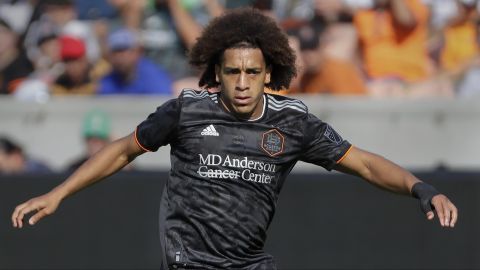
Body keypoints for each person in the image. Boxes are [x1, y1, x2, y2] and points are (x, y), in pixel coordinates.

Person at [12, 8, 458, 270]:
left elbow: (362, 163)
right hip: (188, 261)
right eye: (232, 72)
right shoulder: (187, 110)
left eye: (252, 72)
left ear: (269, 74)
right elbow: (123, 150)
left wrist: (421, 187)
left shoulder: (292, 122)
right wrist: (59, 194)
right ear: (217, 74)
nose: (242, 82)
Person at [97, 28, 173, 95]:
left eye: (124, 50)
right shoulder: (109, 78)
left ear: (137, 52)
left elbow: (162, 102)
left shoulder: (152, 76)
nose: (120, 56)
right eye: (116, 51)